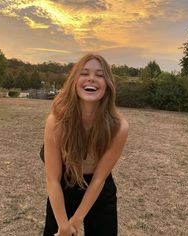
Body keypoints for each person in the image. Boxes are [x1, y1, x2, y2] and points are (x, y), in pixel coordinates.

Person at [43, 53, 128, 236]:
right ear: (74, 80)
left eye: (100, 74)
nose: (91, 78)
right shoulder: (56, 122)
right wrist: (64, 226)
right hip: (64, 184)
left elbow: (98, 179)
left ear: (108, 85)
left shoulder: (119, 127)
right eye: (84, 73)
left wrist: (76, 220)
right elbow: (52, 180)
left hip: (98, 188)